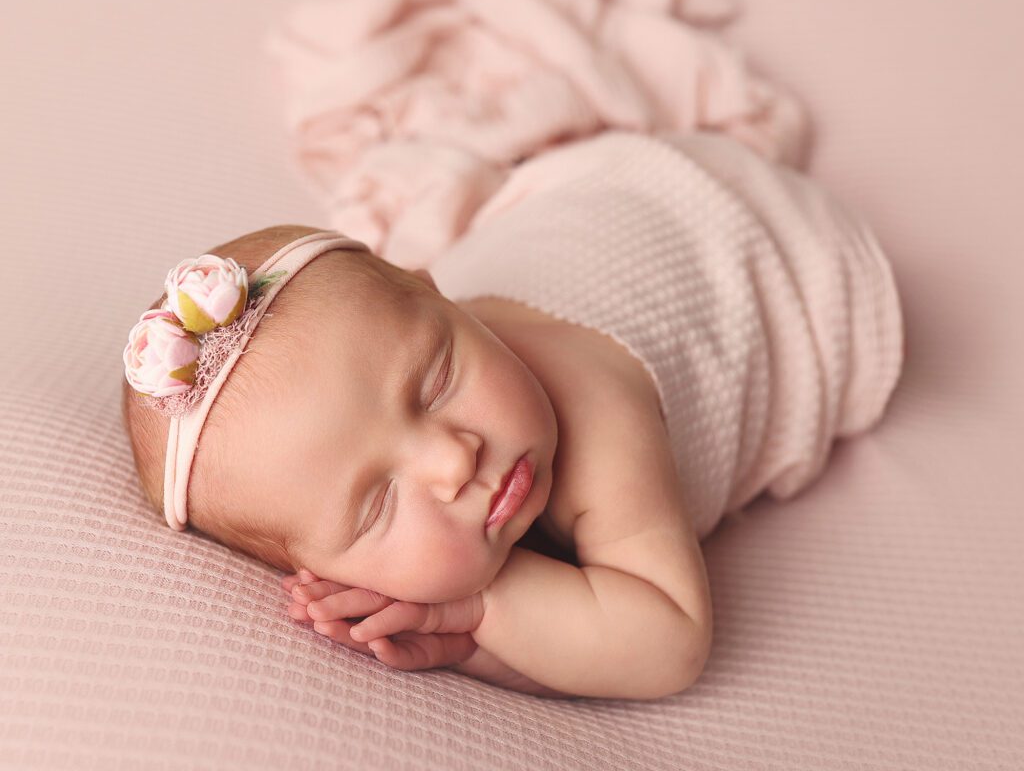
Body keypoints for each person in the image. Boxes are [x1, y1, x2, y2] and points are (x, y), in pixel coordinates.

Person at [120, 130, 904, 700]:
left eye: (435, 382)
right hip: (602, 207)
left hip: (753, 233)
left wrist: (479, 606)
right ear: (323, 574)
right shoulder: (410, 399)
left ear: (436, 290)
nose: (452, 459)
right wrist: (471, 649)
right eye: (378, 503)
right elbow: (571, 648)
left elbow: (668, 640)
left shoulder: (599, 416)